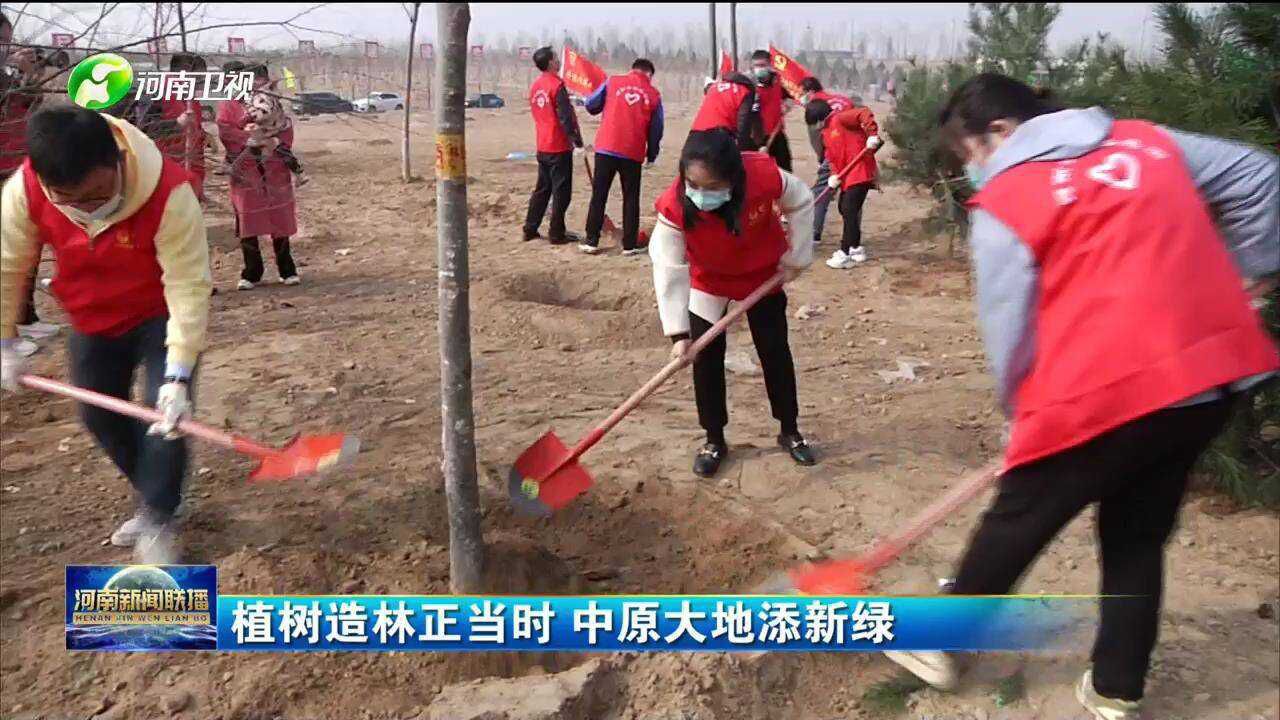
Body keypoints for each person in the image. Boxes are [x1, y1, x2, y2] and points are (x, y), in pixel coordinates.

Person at [882, 74, 1279, 720]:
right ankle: (1117, 688)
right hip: (1201, 387)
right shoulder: (1146, 144)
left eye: (971, 156)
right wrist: (1249, 270)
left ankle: (943, 641)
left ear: (1001, 134)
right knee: (1137, 536)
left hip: (1100, 394)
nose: (975, 172)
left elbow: (1009, 326)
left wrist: (1022, 413)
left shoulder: (1010, 198)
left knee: (1019, 515)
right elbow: (1261, 175)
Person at [0, 107, 213, 563]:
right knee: (99, 415)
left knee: (165, 419)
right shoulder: (24, 190)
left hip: (162, 316)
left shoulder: (169, 192)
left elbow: (187, 284)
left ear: (117, 158)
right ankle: (161, 495)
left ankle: (157, 518)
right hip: (92, 317)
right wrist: (4, 342)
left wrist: (177, 374)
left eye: (98, 193)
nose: (89, 207)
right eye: (72, 198)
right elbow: (7, 265)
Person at [648, 128, 818, 478]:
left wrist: (796, 257)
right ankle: (714, 439)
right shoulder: (674, 206)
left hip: (761, 278)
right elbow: (669, 268)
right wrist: (680, 335)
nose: (700, 195)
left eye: (711, 188)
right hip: (709, 282)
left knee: (774, 351)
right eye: (692, 184)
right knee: (705, 358)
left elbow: (800, 200)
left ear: (733, 178)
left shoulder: (763, 175)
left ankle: (790, 430)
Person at [0, 12, 61, 355]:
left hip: (15, 165)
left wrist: (29, 75)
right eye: (3, 41)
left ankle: (25, 316)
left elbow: (31, 105)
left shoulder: (9, 75)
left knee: (27, 243)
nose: (8, 47)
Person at [218, 64, 302, 290]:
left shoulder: (270, 101)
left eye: (260, 79)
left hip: (274, 168)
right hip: (246, 170)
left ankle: (287, 268)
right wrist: (247, 139)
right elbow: (225, 130)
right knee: (247, 220)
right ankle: (252, 272)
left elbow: (285, 129)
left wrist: (274, 142)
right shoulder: (229, 104)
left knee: (280, 218)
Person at [580, 58, 664, 256]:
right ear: (649, 74)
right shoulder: (653, 94)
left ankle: (591, 240)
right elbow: (656, 129)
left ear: (632, 69)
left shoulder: (613, 81)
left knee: (599, 195)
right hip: (632, 152)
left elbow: (592, 105)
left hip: (606, 148)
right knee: (631, 198)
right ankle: (629, 245)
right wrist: (652, 154)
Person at [805, 99, 882, 268]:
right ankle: (856, 248)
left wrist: (872, 134)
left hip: (860, 170)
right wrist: (834, 176)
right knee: (844, 208)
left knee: (848, 208)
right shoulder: (825, 133)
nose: (814, 127)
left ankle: (844, 252)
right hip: (847, 175)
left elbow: (864, 112)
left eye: (813, 122)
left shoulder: (840, 119)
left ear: (819, 117)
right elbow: (832, 158)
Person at [522, 46, 584, 245]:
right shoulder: (556, 86)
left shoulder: (536, 86)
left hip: (543, 145)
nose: (559, 61)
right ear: (550, 63)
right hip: (558, 146)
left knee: (542, 190)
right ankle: (557, 233)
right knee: (561, 192)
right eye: (556, 58)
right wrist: (576, 141)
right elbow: (565, 117)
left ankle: (530, 228)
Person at [145, 52, 211, 201]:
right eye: (197, 78)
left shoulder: (189, 95)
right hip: (167, 168)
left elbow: (193, 126)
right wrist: (176, 124)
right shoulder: (157, 93)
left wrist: (204, 135)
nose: (200, 82)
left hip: (191, 167)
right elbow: (145, 129)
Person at [799, 76, 853, 246]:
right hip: (853, 152)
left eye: (802, 93)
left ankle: (815, 234)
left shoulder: (815, 106)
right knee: (852, 194)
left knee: (821, 191)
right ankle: (853, 239)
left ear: (810, 91)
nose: (801, 97)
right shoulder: (843, 100)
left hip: (835, 153)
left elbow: (817, 138)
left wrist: (822, 161)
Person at [241, 63, 307, 187]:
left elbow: (264, 110)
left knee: (279, 149)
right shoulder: (262, 92)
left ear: (260, 79)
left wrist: (250, 116)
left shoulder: (263, 94)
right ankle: (266, 176)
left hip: (272, 128)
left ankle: (296, 173)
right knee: (258, 149)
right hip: (270, 127)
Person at [690, 71, 761, 151]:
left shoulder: (714, 86)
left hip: (695, 135)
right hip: (719, 136)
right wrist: (743, 148)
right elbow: (743, 124)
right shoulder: (744, 91)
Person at [748, 49, 792, 172]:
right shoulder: (748, 85)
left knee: (785, 171)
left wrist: (788, 104)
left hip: (776, 132)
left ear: (770, 65)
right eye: (756, 65)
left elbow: (789, 96)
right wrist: (760, 143)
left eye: (762, 65)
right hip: (755, 136)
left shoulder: (778, 80)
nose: (759, 69)